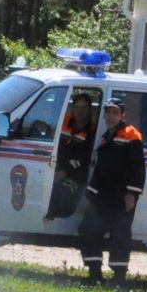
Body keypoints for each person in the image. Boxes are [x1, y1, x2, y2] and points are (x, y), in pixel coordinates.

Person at [79, 95, 145, 285]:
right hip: (102, 198)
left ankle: (119, 279)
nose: (111, 116)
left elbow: (138, 169)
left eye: (115, 113)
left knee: (120, 237)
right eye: (108, 113)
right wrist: (89, 196)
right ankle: (94, 275)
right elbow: (100, 171)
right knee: (88, 229)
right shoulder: (107, 137)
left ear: (123, 115)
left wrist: (132, 194)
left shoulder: (132, 135)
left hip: (121, 198)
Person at [50, 91, 98, 220]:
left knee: (61, 190)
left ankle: (53, 222)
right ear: (72, 108)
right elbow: (58, 149)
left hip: (77, 174)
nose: (80, 111)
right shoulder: (64, 124)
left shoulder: (92, 132)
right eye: (77, 107)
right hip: (58, 167)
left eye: (84, 108)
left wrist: (63, 172)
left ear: (90, 110)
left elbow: (83, 159)